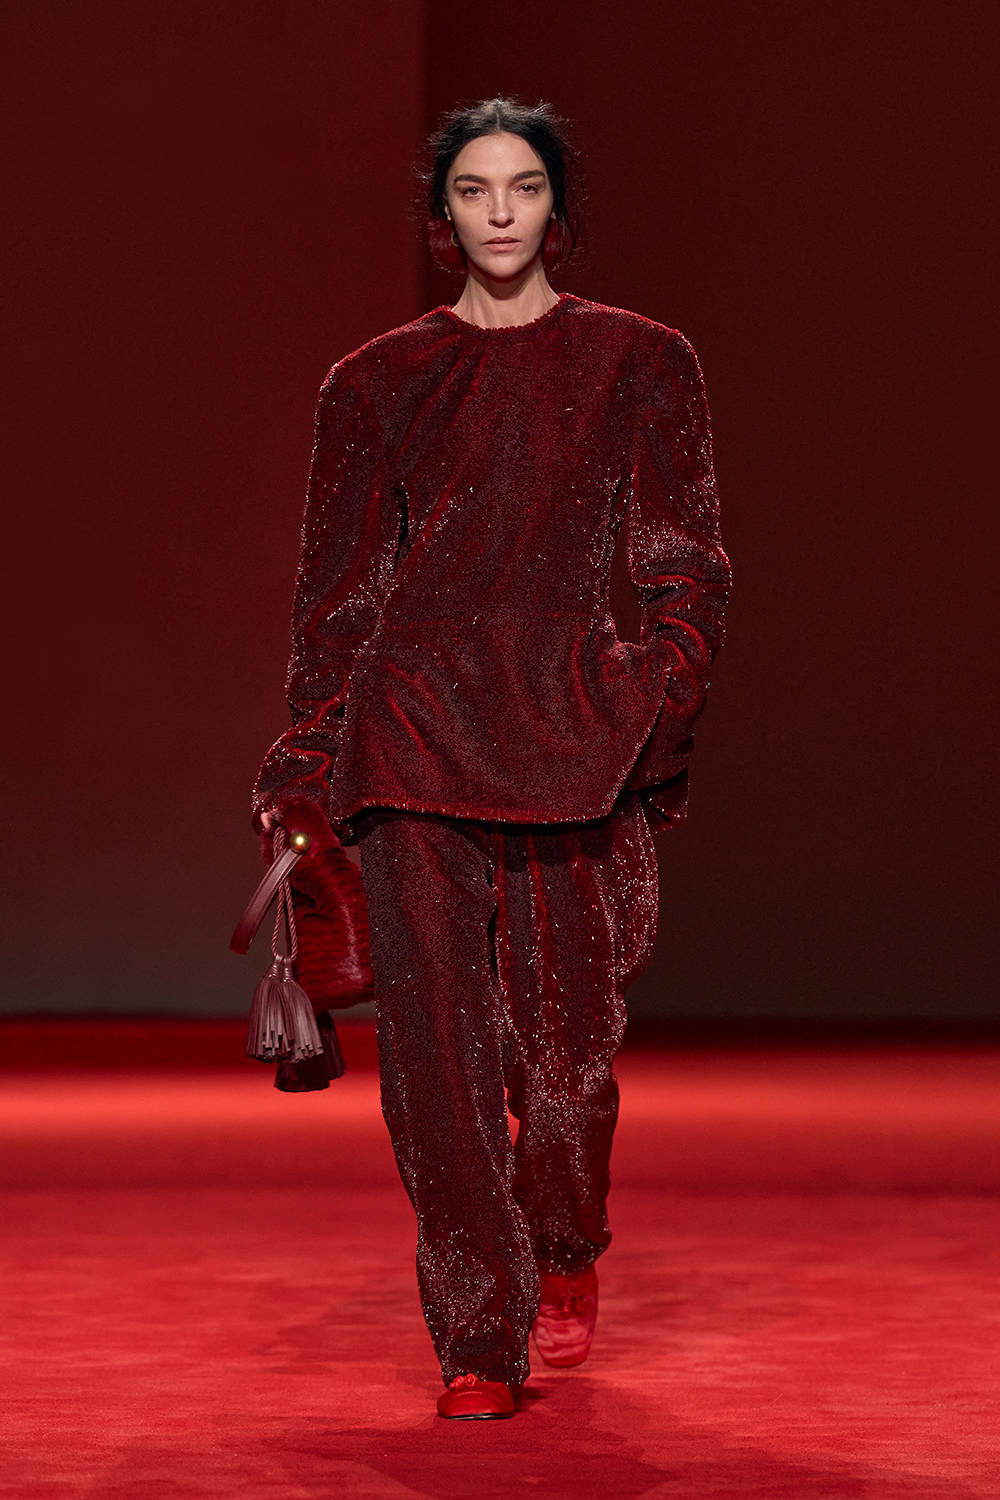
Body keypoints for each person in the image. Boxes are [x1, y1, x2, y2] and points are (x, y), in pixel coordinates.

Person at [253, 98, 730, 1421]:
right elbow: (338, 601)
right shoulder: (373, 382)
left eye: (524, 186)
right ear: (442, 215)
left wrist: (658, 696)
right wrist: (304, 767)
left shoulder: (643, 360)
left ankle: (564, 1241)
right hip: (410, 735)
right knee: (438, 1060)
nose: (501, 211)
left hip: (574, 732)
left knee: (568, 1065)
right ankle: (477, 1330)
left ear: (556, 208)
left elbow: (687, 565)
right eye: (475, 188)